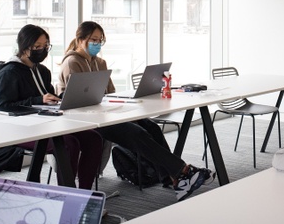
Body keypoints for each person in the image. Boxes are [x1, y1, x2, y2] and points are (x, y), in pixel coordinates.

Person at [57, 21, 214, 201]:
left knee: (152, 128)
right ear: (80, 39)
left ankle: (172, 178)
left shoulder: (100, 62)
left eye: (100, 40)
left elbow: (110, 92)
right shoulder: (72, 62)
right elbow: (77, 99)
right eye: (94, 40)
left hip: (106, 113)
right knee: (137, 134)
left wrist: (121, 103)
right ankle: (182, 171)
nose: (97, 44)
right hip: (85, 119)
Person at [0, 24, 104, 190]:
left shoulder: (42, 71)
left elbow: (48, 96)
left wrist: (60, 99)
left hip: (47, 124)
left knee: (94, 139)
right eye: (37, 46)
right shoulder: (9, 73)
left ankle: (85, 193)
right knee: (69, 144)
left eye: (45, 46)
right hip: (23, 129)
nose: (42, 50)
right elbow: (2, 106)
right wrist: (38, 99)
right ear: (24, 46)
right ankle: (66, 194)